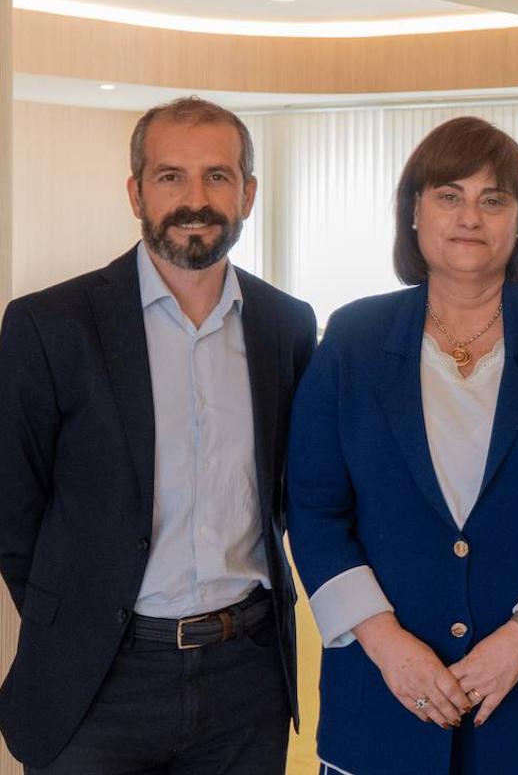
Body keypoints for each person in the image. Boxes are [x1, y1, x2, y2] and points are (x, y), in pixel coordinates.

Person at [286, 116, 518, 775]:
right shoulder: (354, 337)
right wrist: (386, 645)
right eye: (449, 194)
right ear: (413, 213)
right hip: (382, 702)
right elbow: (314, 508)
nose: (470, 215)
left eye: (493, 199)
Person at [0, 97, 318, 773]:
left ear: (248, 193)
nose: (195, 199)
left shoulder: (286, 326)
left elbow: (292, 490)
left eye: (218, 176)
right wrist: (75, 613)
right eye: (171, 176)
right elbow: (13, 508)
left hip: (246, 676)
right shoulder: (50, 325)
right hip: (98, 680)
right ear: (136, 192)